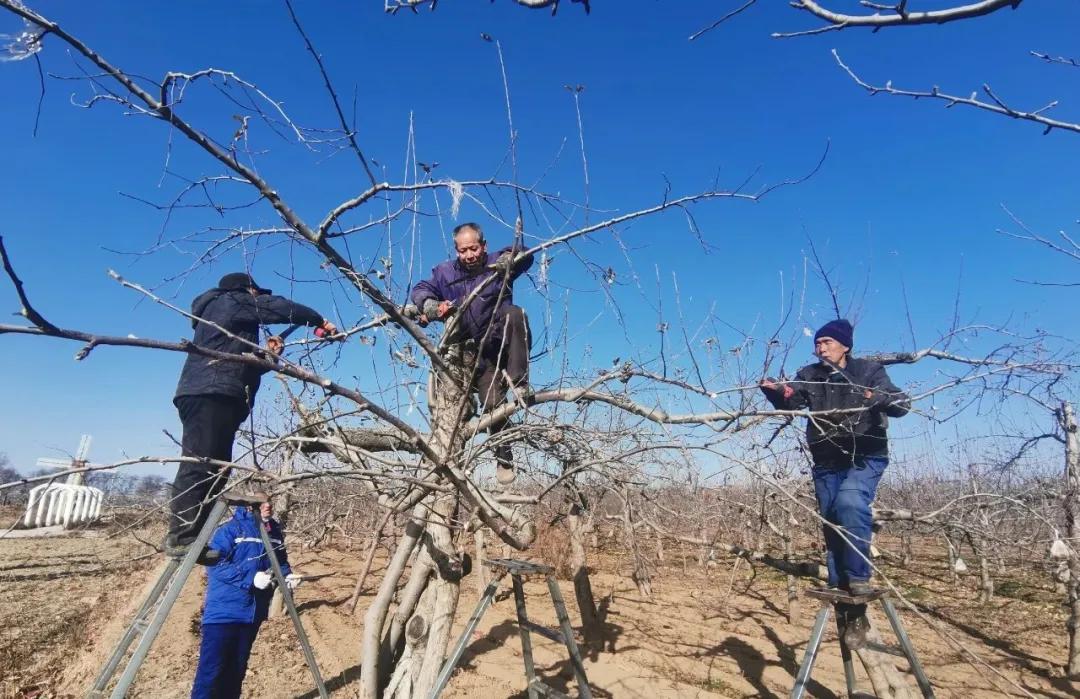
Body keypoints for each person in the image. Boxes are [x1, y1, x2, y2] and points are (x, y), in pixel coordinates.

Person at [165, 272, 336, 559]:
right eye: (257, 294)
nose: (259, 299)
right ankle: (181, 538)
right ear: (246, 290)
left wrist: (268, 357)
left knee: (217, 469)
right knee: (200, 463)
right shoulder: (229, 301)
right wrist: (318, 320)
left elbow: (243, 367)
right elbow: (279, 308)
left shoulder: (228, 319)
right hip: (210, 393)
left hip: (221, 393)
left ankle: (195, 539)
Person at [760, 319, 910, 646]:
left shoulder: (867, 371)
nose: (821, 348)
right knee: (832, 524)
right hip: (827, 460)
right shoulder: (810, 374)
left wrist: (878, 397)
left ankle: (858, 578)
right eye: (818, 343)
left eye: (827, 342)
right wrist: (776, 392)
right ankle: (851, 613)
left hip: (864, 454)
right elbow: (792, 399)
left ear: (845, 346)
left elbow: (901, 404)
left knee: (850, 503)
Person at [410, 222, 533, 484]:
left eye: (474, 248)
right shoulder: (444, 272)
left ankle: (520, 386)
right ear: (456, 250)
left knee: (515, 314)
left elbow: (525, 254)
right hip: (463, 354)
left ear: (484, 246)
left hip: (495, 349)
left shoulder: (496, 263)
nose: (469, 255)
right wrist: (429, 305)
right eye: (463, 250)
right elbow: (420, 289)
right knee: (475, 408)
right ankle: (483, 460)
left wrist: (510, 259)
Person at [190, 495, 301, 699]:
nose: (268, 506)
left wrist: (287, 575)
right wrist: (250, 578)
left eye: (270, 501)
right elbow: (215, 565)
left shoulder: (274, 532)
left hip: (252, 614)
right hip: (224, 613)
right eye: (262, 502)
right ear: (250, 506)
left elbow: (280, 561)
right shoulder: (231, 530)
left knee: (237, 670)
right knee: (211, 671)